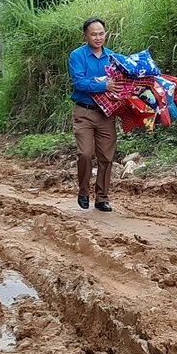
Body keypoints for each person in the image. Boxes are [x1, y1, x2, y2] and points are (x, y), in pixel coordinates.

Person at [68, 17, 121, 212]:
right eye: (93, 34)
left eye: (101, 34)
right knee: (85, 153)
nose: (98, 38)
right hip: (84, 112)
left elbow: (124, 81)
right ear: (85, 35)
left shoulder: (114, 58)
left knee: (106, 156)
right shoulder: (77, 56)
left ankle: (102, 197)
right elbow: (79, 82)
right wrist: (103, 85)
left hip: (107, 113)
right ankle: (83, 191)